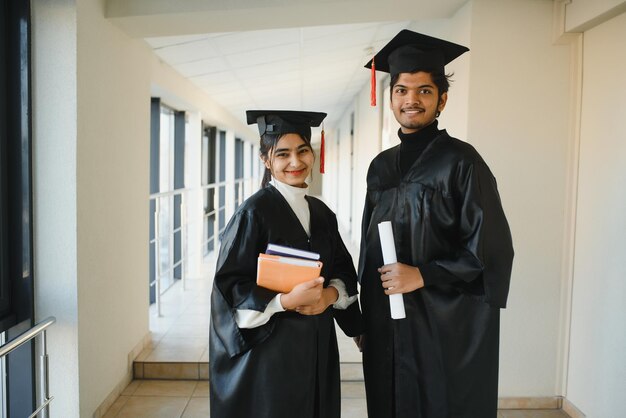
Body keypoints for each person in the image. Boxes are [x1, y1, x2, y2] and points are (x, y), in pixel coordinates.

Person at [357, 30, 514, 418]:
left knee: (439, 403)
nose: (411, 99)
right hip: (386, 316)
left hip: (442, 319)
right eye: (402, 90)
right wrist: (365, 312)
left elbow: (491, 249)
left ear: (442, 99)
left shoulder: (463, 162)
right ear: (391, 97)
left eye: (424, 91)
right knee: (388, 399)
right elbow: (368, 244)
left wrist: (423, 276)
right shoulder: (380, 167)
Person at [209, 110, 363, 418]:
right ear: (266, 160)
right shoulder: (252, 214)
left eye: (302, 150)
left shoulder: (321, 214)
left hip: (318, 347)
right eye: (283, 154)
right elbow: (229, 287)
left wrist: (330, 297)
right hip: (271, 355)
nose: (296, 162)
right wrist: (284, 301)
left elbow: (343, 269)